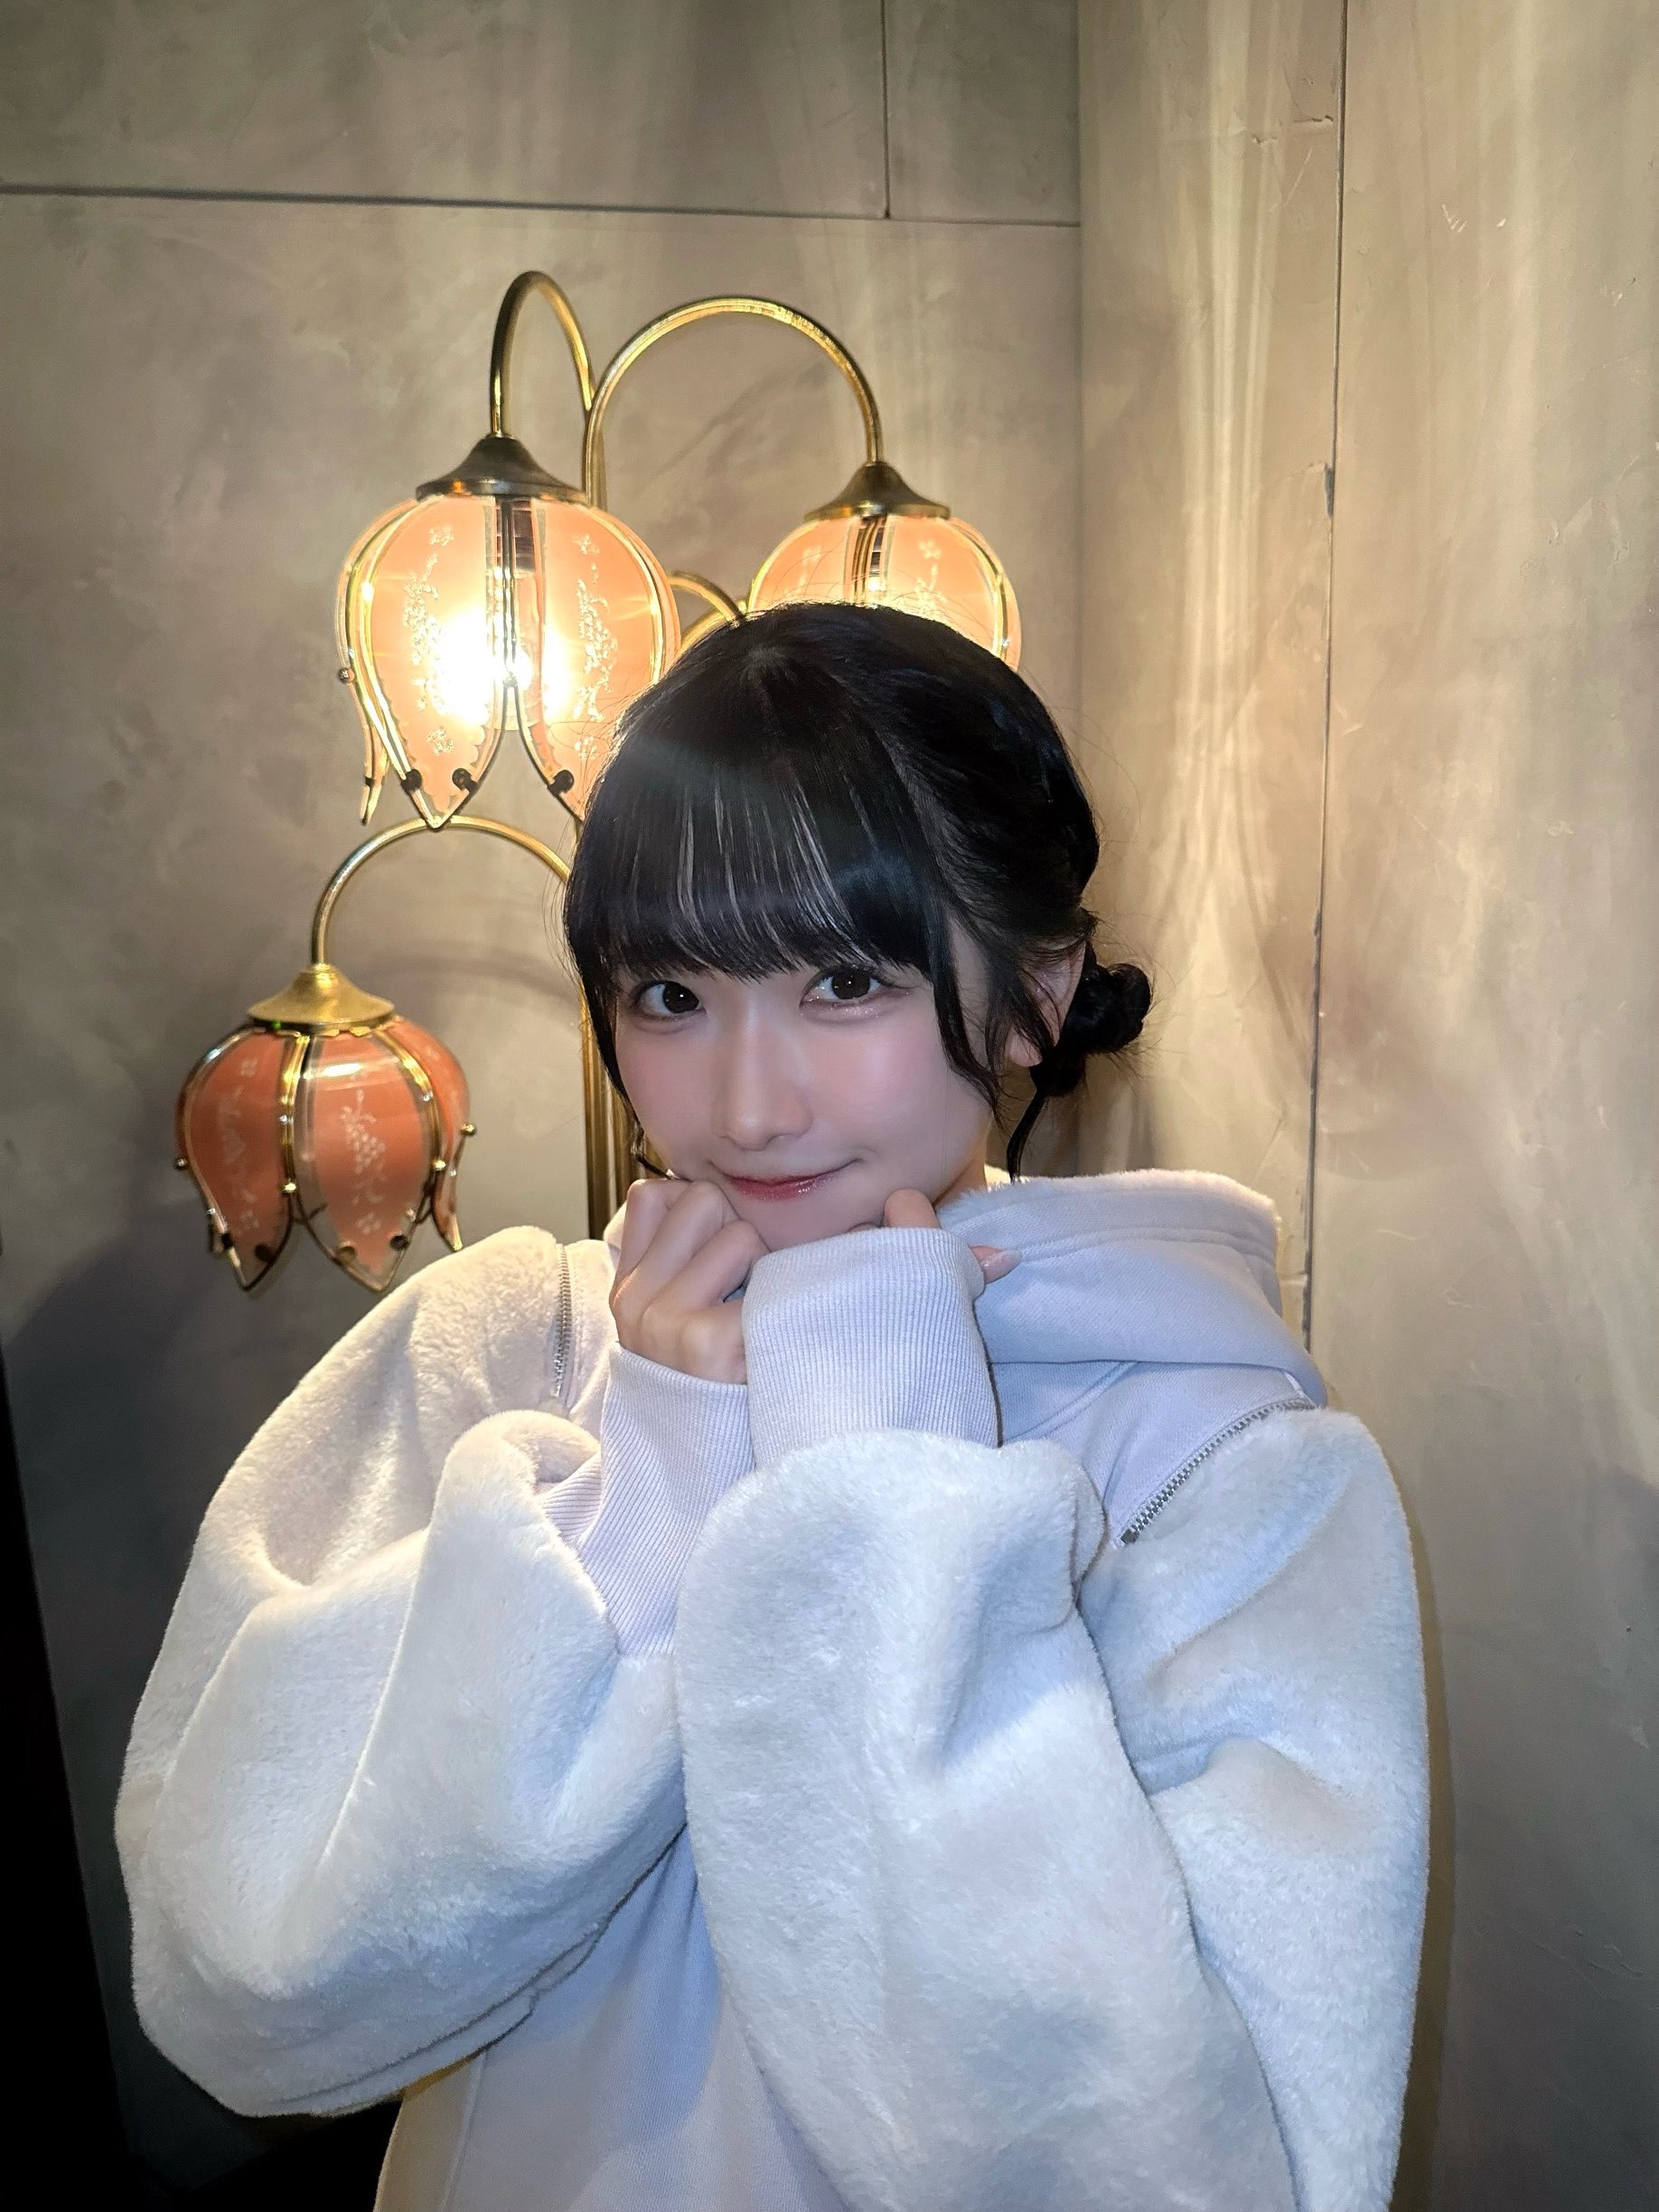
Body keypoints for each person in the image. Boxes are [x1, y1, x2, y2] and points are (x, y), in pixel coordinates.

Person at [117, 605, 1429, 2212]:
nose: (744, 1106)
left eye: (845, 979)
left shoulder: (1227, 1476)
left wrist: (878, 1481)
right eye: (671, 994)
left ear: (1036, 992)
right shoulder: (505, 1347)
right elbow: (246, 1996)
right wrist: (651, 1487)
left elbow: (1177, 2183)